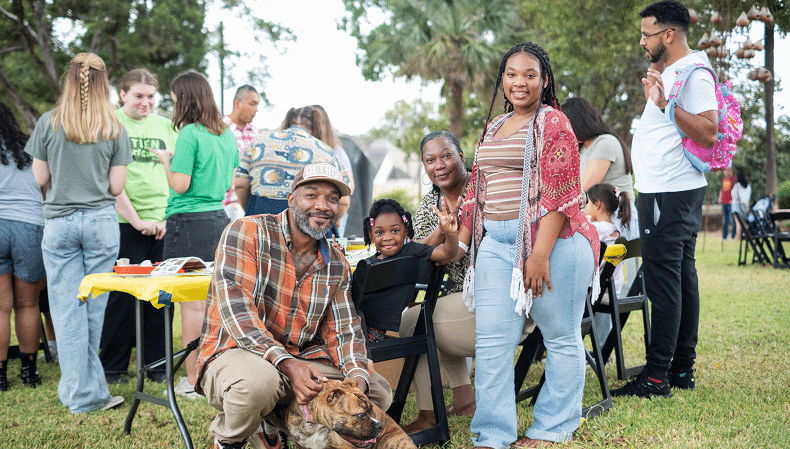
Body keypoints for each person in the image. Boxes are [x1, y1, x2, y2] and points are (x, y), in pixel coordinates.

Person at [457, 42, 598, 448]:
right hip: (496, 246)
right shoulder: (494, 126)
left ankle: (551, 430)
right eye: (512, 74)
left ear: (544, 80)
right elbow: (476, 190)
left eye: (530, 75)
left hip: (553, 244)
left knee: (560, 336)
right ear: (502, 79)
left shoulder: (554, 122)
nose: (520, 82)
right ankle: (492, 436)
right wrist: (460, 238)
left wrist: (538, 256)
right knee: (493, 345)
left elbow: (562, 194)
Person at [196, 162, 393, 449]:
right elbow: (238, 314)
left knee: (377, 393)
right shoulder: (247, 231)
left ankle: (279, 423)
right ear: (291, 200)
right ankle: (229, 439)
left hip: (299, 360)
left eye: (332, 199)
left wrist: (356, 378)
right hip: (235, 352)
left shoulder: (336, 263)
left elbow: (344, 330)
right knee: (259, 383)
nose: (322, 205)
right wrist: (287, 364)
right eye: (311, 195)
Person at [611, 0, 719, 398]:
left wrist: (664, 103)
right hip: (669, 189)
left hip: (668, 192)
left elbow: (709, 131)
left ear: (668, 35)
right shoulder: (675, 70)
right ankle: (681, 370)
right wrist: (659, 89)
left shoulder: (694, 73)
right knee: (681, 278)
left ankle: (657, 377)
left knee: (664, 283)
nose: (642, 41)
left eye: (647, 34)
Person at [24, 53, 131, 413]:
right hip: (101, 223)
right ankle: (86, 394)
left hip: (58, 224)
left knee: (68, 312)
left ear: (69, 79)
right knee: (92, 312)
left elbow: (38, 179)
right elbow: (117, 187)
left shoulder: (48, 122)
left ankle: (82, 393)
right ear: (104, 84)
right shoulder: (115, 126)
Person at [153, 70, 239, 398]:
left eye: (174, 99)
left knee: (191, 307)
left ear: (184, 99)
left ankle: (193, 381)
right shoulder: (226, 135)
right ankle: (212, 373)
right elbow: (229, 184)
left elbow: (180, 184)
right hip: (217, 221)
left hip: (186, 222)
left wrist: (166, 161)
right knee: (213, 306)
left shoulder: (189, 133)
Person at [99, 68, 178, 385]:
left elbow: (177, 174)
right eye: (138, 96)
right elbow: (110, 180)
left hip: (162, 221)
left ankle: (157, 365)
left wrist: (163, 219)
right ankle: (114, 367)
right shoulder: (111, 124)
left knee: (161, 295)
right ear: (122, 95)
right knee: (121, 297)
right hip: (124, 221)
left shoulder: (167, 126)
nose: (145, 103)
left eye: (150, 96)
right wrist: (137, 221)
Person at [399, 131, 479, 432]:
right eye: (430, 160)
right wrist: (444, 228)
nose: (439, 165)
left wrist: (447, 233)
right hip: (458, 299)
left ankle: (429, 414)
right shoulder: (432, 199)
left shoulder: (477, 188)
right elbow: (419, 249)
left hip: (490, 301)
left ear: (461, 155)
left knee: (413, 321)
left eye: (447, 155)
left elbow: (452, 254)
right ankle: (463, 398)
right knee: (429, 309)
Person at [351, 198, 458, 343]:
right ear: (371, 236)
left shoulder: (411, 251)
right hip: (357, 332)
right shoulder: (370, 263)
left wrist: (450, 234)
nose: (388, 237)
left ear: (406, 232)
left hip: (363, 336)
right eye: (380, 232)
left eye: (395, 231)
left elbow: (448, 253)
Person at [0, 102, 46, 391]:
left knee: (1, 308)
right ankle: (29, 372)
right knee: (28, 304)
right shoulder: (29, 147)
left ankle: (1, 376)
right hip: (31, 226)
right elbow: (45, 187)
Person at [234, 106, 350, 217]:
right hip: (307, 222)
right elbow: (344, 201)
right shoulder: (326, 151)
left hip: (260, 217)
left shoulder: (257, 143)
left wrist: (250, 212)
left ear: (287, 122)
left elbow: (240, 184)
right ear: (316, 126)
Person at [561, 97, 639, 240]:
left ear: (579, 123)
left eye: (567, 125)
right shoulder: (583, 148)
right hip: (597, 216)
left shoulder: (604, 143)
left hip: (616, 217)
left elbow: (581, 188)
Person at [584, 183, 632, 341]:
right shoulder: (615, 228)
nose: (585, 207)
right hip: (612, 288)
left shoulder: (596, 229)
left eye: (588, 202)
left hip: (598, 291)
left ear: (597, 204)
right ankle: (602, 346)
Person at [311, 105, 355, 236]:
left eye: (319, 122)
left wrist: (338, 215)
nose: (317, 127)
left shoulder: (337, 152)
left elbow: (350, 185)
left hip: (332, 212)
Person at [222, 85, 261, 219]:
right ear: (237, 103)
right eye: (252, 104)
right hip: (222, 207)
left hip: (248, 208)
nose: (256, 110)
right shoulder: (219, 130)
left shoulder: (257, 135)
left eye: (257, 105)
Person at [731, 170, 751, 239]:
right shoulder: (748, 186)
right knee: (743, 222)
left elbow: (734, 195)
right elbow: (748, 197)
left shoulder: (737, 185)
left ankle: (738, 237)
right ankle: (745, 236)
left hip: (737, 205)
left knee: (738, 222)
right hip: (745, 205)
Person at [719, 167, 736, 240]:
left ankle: (733, 236)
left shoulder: (734, 180)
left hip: (731, 203)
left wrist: (733, 199)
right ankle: (724, 236)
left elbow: (736, 190)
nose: (727, 172)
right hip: (724, 202)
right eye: (726, 171)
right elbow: (722, 189)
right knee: (725, 220)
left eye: (729, 171)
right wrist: (720, 197)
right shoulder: (724, 179)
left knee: (732, 219)